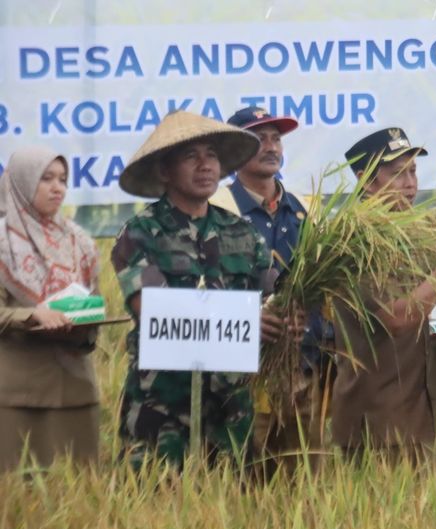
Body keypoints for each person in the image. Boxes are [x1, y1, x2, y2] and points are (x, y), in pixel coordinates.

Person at [111, 111, 275, 468]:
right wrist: (246, 320)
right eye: (191, 156)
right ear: (164, 171)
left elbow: (272, 295)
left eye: (212, 155)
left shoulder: (241, 233)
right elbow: (153, 309)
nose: (205, 166)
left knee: (233, 511)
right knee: (153, 509)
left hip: (230, 408)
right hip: (163, 407)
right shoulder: (141, 233)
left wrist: (284, 318)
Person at [331, 127, 436, 459]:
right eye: (397, 174)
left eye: (413, 171)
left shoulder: (421, 231)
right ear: (366, 180)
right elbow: (395, 318)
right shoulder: (353, 242)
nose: (410, 183)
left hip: (424, 405)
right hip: (379, 415)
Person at [209, 106, 332, 475]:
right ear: (234, 151)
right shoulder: (216, 209)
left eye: (276, 138)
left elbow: (327, 289)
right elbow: (198, 292)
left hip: (304, 374)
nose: (270, 146)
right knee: (242, 487)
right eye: (257, 139)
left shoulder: (305, 211)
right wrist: (247, 319)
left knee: (307, 491)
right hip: (240, 381)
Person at [0, 145, 100, 472]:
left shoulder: (79, 242)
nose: (58, 187)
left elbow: (93, 301)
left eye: (63, 179)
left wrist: (87, 322)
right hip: (18, 394)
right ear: (21, 182)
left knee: (82, 494)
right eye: (46, 178)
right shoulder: (3, 243)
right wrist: (32, 315)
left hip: (75, 388)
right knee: (20, 496)